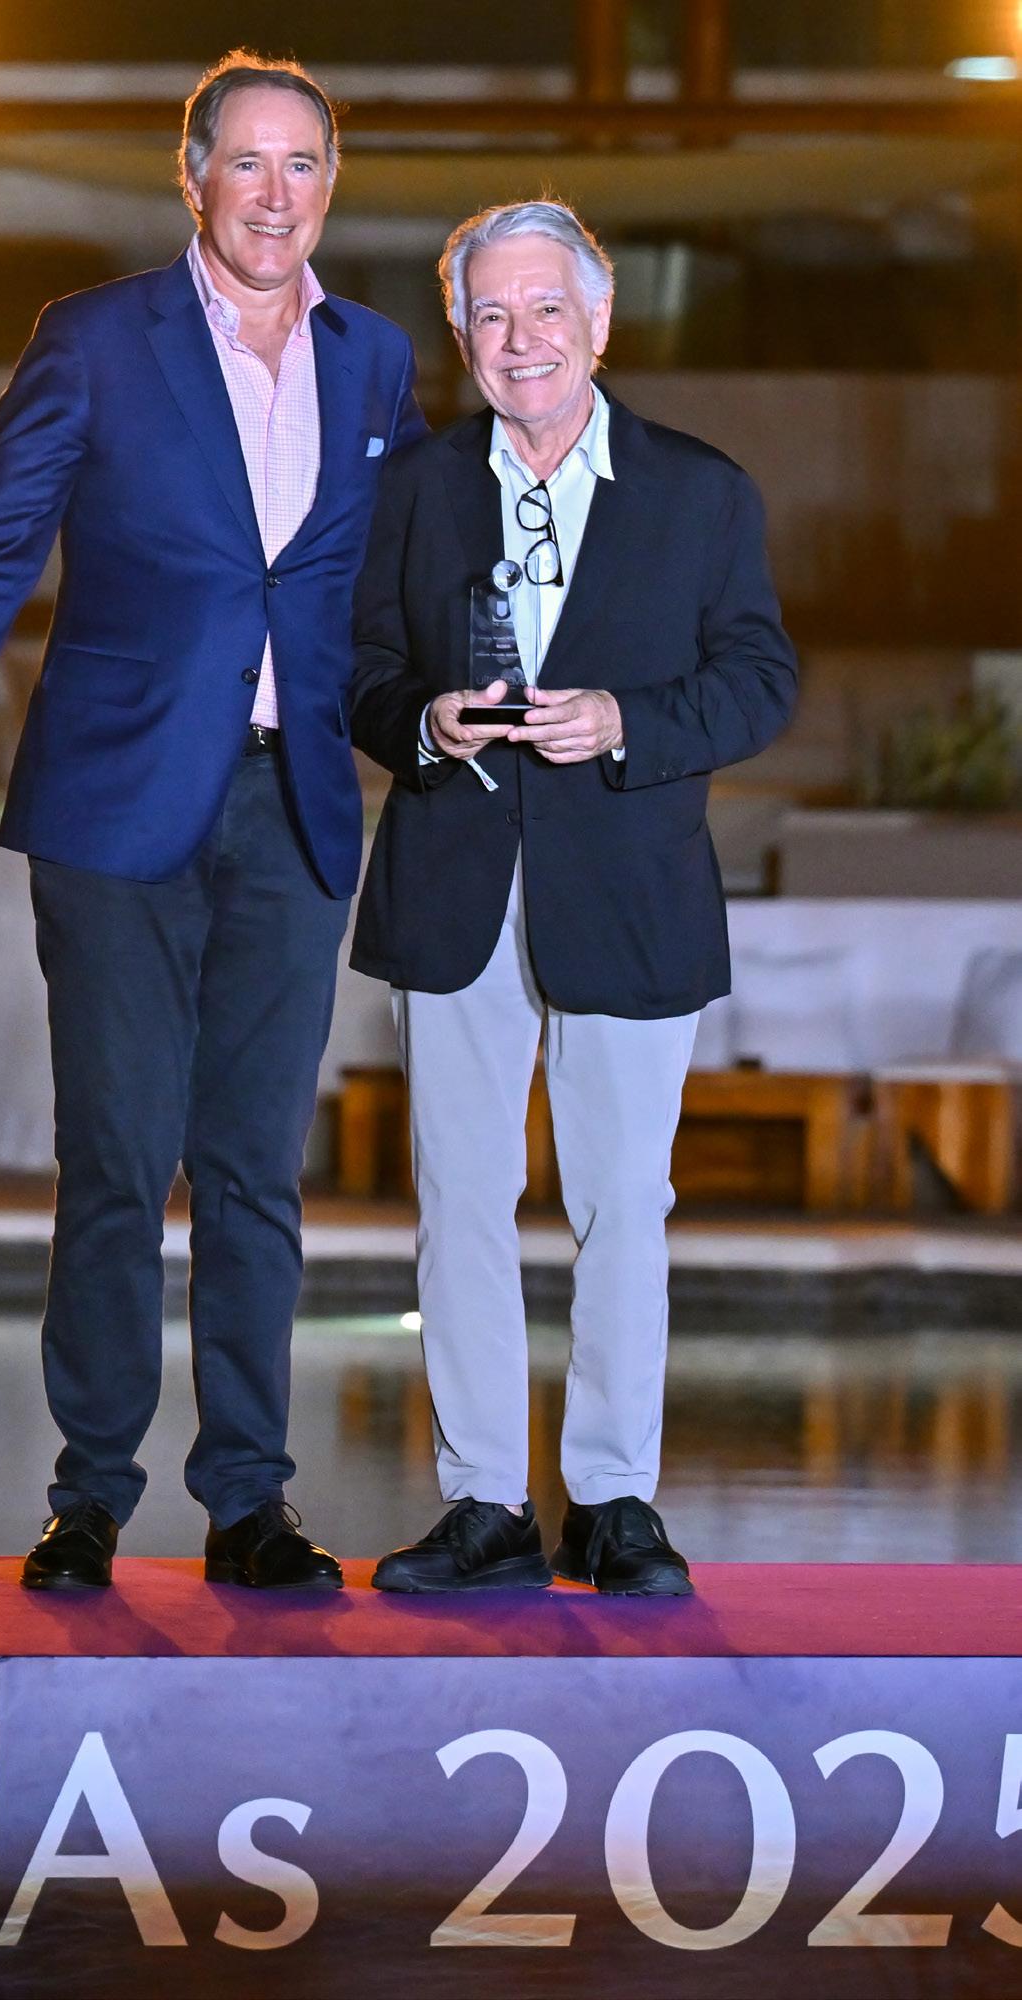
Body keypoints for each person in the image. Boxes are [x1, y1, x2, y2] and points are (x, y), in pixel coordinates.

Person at [0, 53, 424, 1593]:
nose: (274, 195)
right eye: (246, 162)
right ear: (192, 177)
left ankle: (249, 1502)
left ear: (330, 185)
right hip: (116, 803)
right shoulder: (97, 338)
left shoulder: (375, 360)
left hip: (295, 807)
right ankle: (89, 1497)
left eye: (302, 165)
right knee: (115, 1159)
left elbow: (385, 586)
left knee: (254, 1169)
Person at [348, 200, 797, 1597]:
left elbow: (761, 682)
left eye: (546, 308)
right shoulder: (414, 489)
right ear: (461, 337)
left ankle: (612, 1502)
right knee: (459, 1204)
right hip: (454, 887)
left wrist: (623, 722)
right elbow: (359, 671)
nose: (519, 337)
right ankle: (484, 1502)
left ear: (599, 323)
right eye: (489, 313)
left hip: (630, 893)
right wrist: (424, 725)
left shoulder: (701, 491)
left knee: (622, 1203)